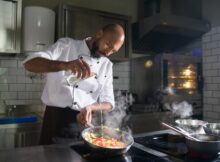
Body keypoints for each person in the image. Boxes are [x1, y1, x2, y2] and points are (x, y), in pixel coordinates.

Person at [23, 23, 125, 145]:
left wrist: (91, 107)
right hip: (55, 120)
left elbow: (109, 103)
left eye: (113, 51)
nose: (108, 53)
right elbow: (29, 63)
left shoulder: (107, 65)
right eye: (108, 45)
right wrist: (65, 65)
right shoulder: (66, 45)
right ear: (99, 34)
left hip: (83, 123)